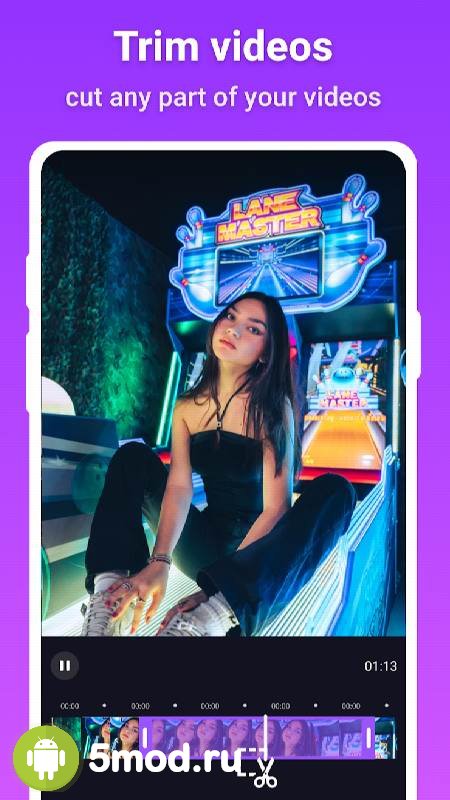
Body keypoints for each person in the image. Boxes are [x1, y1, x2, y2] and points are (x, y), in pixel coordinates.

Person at [81, 291, 356, 637]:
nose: (234, 330)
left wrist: (222, 586)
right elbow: (179, 487)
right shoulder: (187, 407)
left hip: (256, 558)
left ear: (265, 353)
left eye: (253, 329)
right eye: (230, 316)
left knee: (337, 490)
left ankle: (215, 613)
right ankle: (109, 603)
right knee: (132, 456)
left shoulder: (274, 409)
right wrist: (160, 560)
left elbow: (275, 509)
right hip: (204, 547)